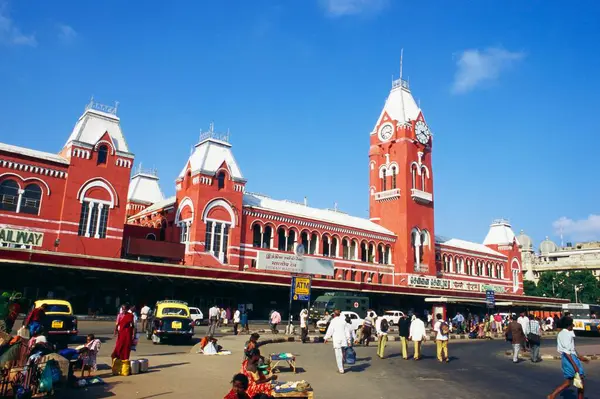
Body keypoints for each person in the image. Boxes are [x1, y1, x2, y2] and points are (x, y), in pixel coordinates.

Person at [548, 317, 588, 399]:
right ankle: (552, 395)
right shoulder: (566, 334)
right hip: (570, 359)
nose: (573, 325)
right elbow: (567, 351)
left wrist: (579, 357)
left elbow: (571, 348)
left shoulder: (564, 333)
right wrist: (575, 365)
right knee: (580, 382)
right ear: (569, 325)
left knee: (569, 382)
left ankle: (552, 396)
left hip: (568, 358)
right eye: (572, 323)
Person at [324, 309, 351, 374]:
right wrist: (349, 340)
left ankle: (341, 370)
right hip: (343, 340)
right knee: (342, 354)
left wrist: (326, 338)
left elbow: (330, 331)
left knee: (338, 355)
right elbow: (347, 331)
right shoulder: (343, 321)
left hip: (337, 340)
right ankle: (342, 366)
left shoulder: (333, 321)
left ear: (334, 314)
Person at [111, 303, 135, 375]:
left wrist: (133, 334)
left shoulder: (130, 315)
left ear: (127, 309)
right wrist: (115, 331)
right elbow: (117, 323)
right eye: (123, 308)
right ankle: (117, 364)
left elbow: (133, 325)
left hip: (127, 333)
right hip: (121, 333)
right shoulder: (119, 315)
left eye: (125, 309)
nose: (124, 310)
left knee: (126, 348)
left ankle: (124, 364)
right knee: (118, 348)